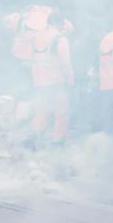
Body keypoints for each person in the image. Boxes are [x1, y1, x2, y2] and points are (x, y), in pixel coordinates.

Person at [28, 11, 74, 143]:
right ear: (57, 23)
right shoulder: (60, 39)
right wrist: (70, 80)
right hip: (55, 81)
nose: (63, 27)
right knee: (61, 113)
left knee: (41, 112)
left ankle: (34, 141)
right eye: (62, 24)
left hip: (39, 81)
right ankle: (58, 142)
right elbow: (66, 63)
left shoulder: (36, 37)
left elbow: (32, 58)